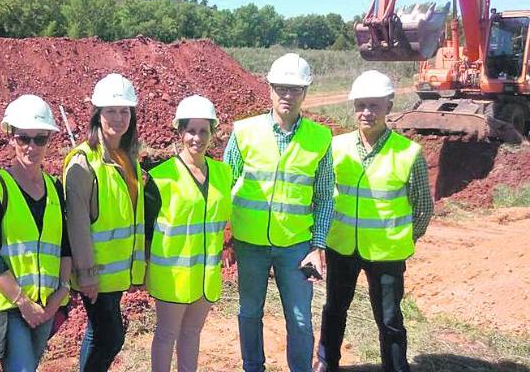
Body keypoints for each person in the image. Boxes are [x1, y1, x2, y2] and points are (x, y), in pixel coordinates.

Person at [314, 71, 433, 372]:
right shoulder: (335, 147)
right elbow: (323, 192)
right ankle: (328, 364)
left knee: (390, 319)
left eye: (374, 105)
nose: (366, 112)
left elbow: (423, 207)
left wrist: (405, 238)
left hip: (387, 252)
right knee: (334, 311)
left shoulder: (408, 153)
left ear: (389, 106)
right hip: (341, 246)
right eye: (361, 105)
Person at [224, 53, 335, 372]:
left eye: (295, 89)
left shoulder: (320, 138)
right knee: (249, 312)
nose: (287, 95)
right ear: (270, 89)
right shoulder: (244, 132)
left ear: (305, 93)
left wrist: (318, 246)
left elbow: (325, 196)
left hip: (297, 247)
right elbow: (224, 183)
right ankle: (253, 367)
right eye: (281, 88)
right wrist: (221, 235)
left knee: (300, 319)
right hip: (250, 243)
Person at [0, 95, 72, 372]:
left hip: (46, 304)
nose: (31, 146)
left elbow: (64, 245)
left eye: (39, 139)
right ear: (11, 138)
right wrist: (22, 302)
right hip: (9, 306)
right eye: (23, 138)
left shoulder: (55, 189)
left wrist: (60, 293)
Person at [63, 73, 146, 372]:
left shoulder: (126, 157)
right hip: (96, 272)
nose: (119, 117)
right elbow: (78, 226)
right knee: (111, 338)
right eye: (111, 110)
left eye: (125, 111)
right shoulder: (83, 163)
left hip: (117, 271)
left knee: (98, 334)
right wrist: (86, 274)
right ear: (97, 114)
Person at [145, 95, 232, 372]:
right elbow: (146, 231)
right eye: (191, 131)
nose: (197, 138)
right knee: (167, 334)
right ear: (180, 132)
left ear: (212, 133)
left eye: (203, 131)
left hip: (206, 275)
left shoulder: (222, 173)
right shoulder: (161, 177)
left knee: (192, 334)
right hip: (172, 275)